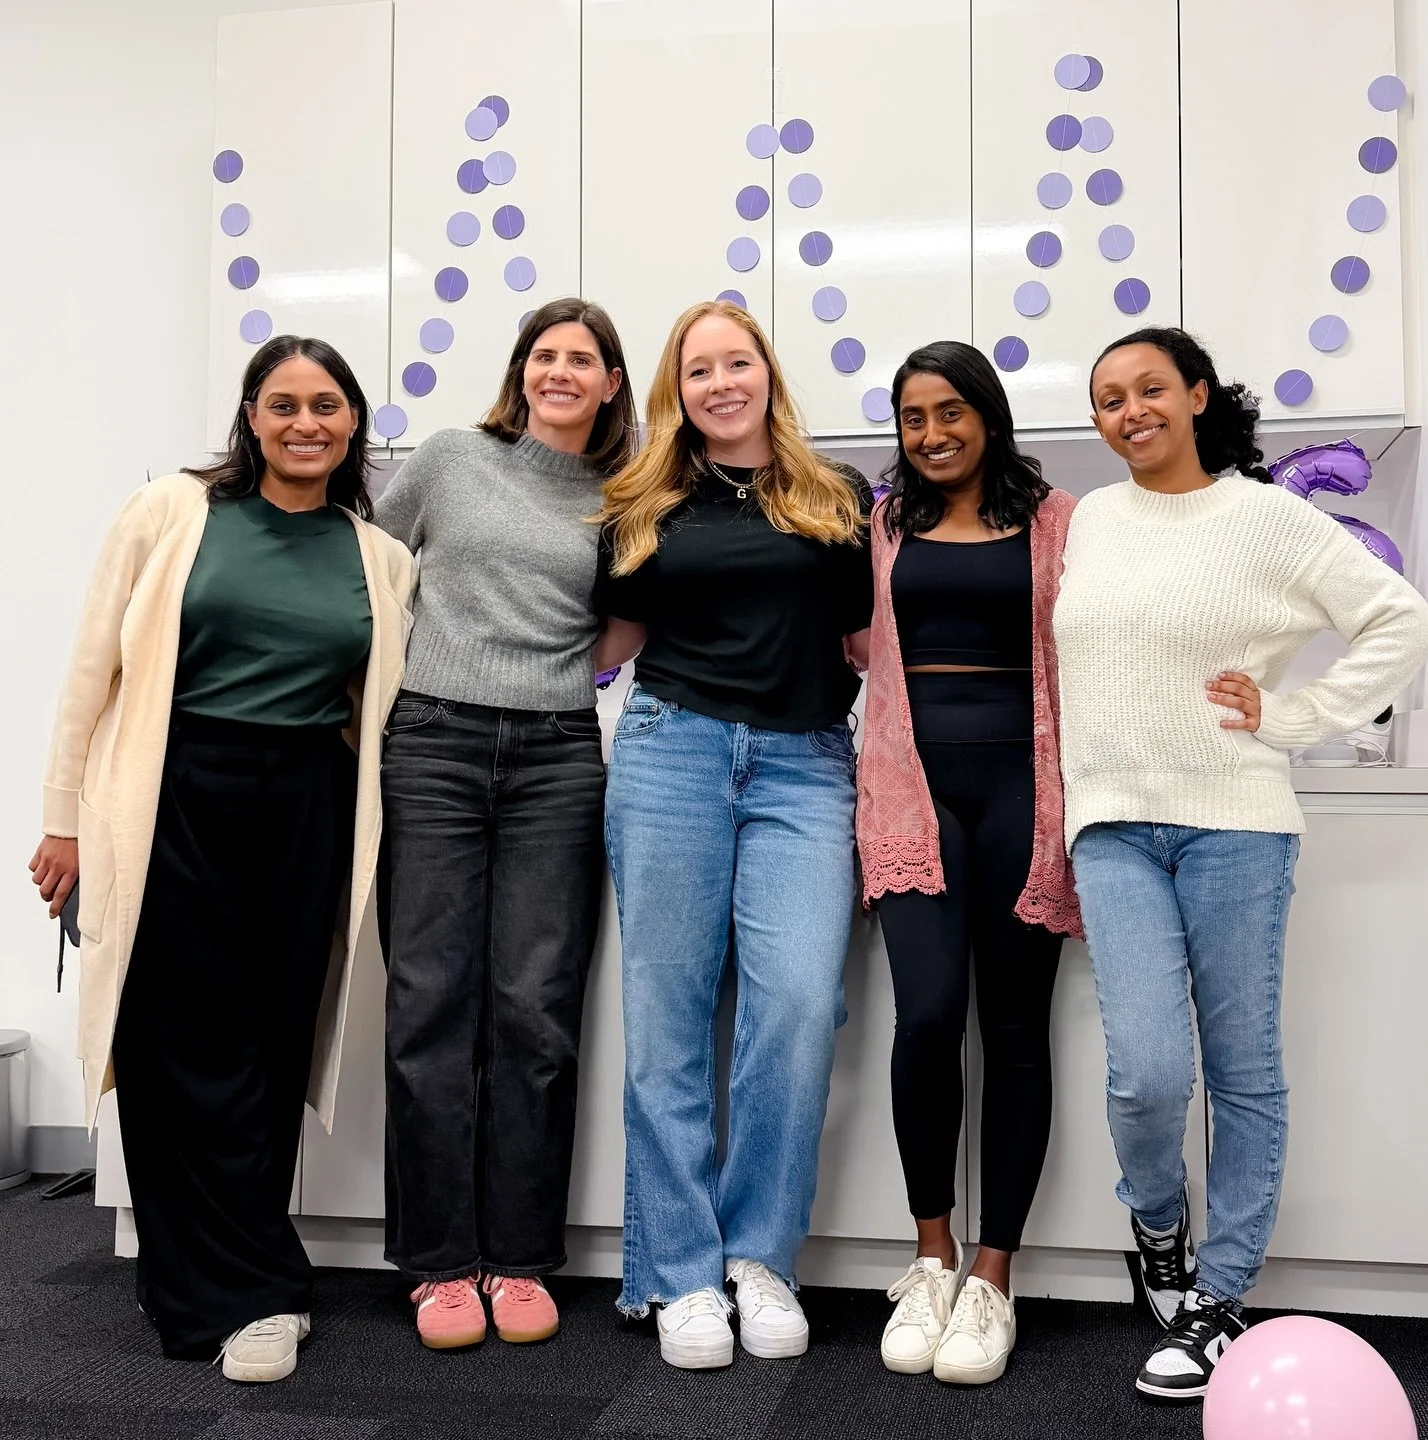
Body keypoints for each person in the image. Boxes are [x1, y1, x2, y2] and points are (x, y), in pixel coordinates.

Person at [1054, 326, 1428, 1401]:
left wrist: (1296, 714)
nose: (1130, 412)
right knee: (1146, 1073)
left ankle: (1221, 1296)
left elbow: (1402, 621)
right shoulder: (1092, 521)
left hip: (1236, 822)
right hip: (1112, 825)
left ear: (1196, 396)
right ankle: (1158, 1226)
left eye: (1150, 389)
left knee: (1242, 1069)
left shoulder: (1268, 518)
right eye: (1109, 399)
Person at [29, 336, 414, 1383]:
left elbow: (370, 709)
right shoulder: (170, 512)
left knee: (269, 1044)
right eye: (282, 404)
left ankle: (254, 1280)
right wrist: (63, 820)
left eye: (326, 405)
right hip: (173, 793)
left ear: (353, 421)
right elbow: (90, 672)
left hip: (305, 805)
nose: (305, 423)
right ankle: (219, 1283)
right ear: (250, 417)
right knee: (168, 1042)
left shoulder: (380, 558)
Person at [594, 299, 872, 1370]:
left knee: (797, 1006)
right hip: (671, 754)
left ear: (768, 373)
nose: (721, 383)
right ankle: (678, 1273)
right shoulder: (642, 500)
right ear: (678, 388)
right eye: (698, 368)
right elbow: (609, 643)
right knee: (666, 1020)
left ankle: (759, 1258)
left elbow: (867, 645)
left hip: (805, 768)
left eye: (736, 362)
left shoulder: (834, 495)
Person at [374, 298, 637, 1350]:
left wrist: (564, 673)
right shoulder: (450, 458)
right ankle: (439, 1264)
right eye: (544, 354)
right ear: (522, 370)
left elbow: (626, 621)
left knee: (536, 1008)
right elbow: (371, 568)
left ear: (611, 383)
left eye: (582, 358)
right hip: (430, 743)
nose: (560, 371)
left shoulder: (624, 495)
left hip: (558, 756)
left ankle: (520, 1256)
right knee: (430, 1001)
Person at [855, 341, 1079, 1384]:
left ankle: (994, 1276)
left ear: (988, 416)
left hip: (1027, 792)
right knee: (929, 1015)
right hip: (912, 787)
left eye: (950, 412)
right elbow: (857, 643)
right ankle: (931, 1257)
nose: (933, 433)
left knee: (1017, 1028)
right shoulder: (884, 524)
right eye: (913, 417)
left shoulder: (1057, 519)